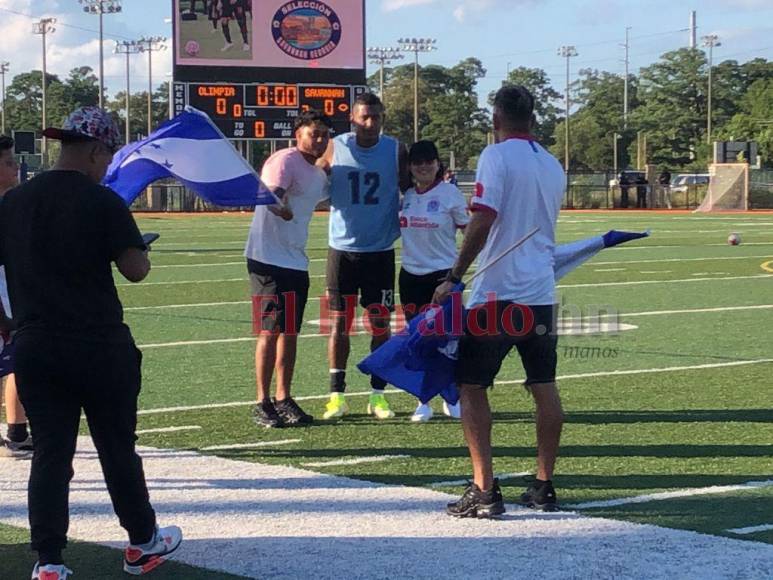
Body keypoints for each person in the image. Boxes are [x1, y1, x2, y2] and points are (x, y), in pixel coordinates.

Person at [0, 107, 182, 579]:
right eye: (107, 155)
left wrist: (7, 322)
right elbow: (135, 271)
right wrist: (139, 245)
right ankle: (142, 542)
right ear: (98, 150)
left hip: (36, 343)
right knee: (117, 449)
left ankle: (49, 561)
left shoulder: (13, 202)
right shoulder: (102, 201)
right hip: (98, 343)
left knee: (51, 455)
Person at [433, 86, 566, 518]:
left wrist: (454, 275)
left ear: (496, 117)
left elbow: (484, 216)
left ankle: (484, 488)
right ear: (533, 117)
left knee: (471, 386)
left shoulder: (496, 156)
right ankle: (543, 484)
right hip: (540, 292)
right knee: (543, 387)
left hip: (497, 291)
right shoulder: (552, 163)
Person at [320, 92, 409, 420]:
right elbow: (315, 175)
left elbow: (410, 188)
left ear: (383, 118)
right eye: (364, 118)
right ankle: (336, 396)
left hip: (380, 252)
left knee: (380, 325)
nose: (370, 124)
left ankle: (377, 395)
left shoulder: (395, 149)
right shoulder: (336, 146)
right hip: (342, 250)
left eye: (376, 117)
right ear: (352, 120)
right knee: (339, 324)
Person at [245, 110, 332, 428]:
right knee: (269, 330)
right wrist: (277, 206)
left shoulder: (318, 174)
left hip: (295, 260)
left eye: (324, 134)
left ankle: (284, 397)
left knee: (290, 332)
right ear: (298, 134)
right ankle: (262, 400)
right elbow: (268, 195)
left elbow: (321, 195)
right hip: (267, 258)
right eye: (313, 134)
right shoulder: (284, 160)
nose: (319, 140)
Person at [399, 140, 468, 422]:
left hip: (443, 277)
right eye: (418, 162)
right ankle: (423, 399)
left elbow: (469, 234)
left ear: (438, 164)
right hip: (410, 276)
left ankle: (452, 397)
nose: (424, 167)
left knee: (448, 341)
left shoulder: (451, 194)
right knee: (419, 341)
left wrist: (456, 276)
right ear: (410, 167)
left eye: (429, 161)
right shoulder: (407, 196)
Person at [0, 135, 32, 458]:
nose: (15, 168)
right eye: (8, 162)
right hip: (4, 289)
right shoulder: (8, 207)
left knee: (13, 361)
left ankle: (15, 431)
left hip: (9, 286)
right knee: (15, 359)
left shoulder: (12, 202)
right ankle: (16, 432)